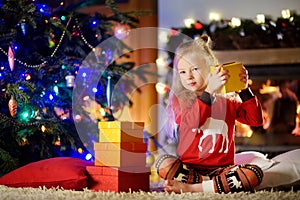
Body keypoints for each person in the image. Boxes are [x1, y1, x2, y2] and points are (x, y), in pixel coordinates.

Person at [155, 35, 264, 194]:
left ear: (211, 68)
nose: (189, 76)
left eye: (195, 69)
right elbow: (192, 123)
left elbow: (255, 120)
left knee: (254, 174)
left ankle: (194, 188)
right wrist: (209, 93)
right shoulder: (181, 100)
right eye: (183, 72)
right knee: (163, 164)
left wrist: (245, 90)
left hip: (222, 169)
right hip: (191, 169)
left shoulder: (227, 99)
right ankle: (211, 185)